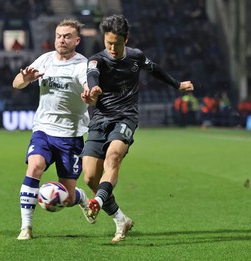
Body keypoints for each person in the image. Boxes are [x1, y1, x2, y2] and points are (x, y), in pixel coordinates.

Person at [81, 15, 194, 242]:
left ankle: (97, 202)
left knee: (114, 157)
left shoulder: (136, 57)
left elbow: (155, 70)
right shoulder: (96, 60)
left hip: (126, 117)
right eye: (108, 43)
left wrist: (177, 84)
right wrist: (93, 90)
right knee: (90, 177)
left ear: (126, 39)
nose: (112, 48)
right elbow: (92, 75)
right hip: (100, 119)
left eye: (117, 43)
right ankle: (121, 219)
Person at [12, 18, 94, 240]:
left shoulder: (82, 65)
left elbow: (90, 87)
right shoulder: (45, 60)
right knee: (35, 166)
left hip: (71, 135)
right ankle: (26, 227)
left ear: (77, 40)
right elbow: (16, 83)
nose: (62, 40)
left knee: (66, 198)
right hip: (44, 130)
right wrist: (25, 79)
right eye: (59, 35)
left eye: (67, 36)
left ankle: (79, 197)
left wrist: (89, 94)